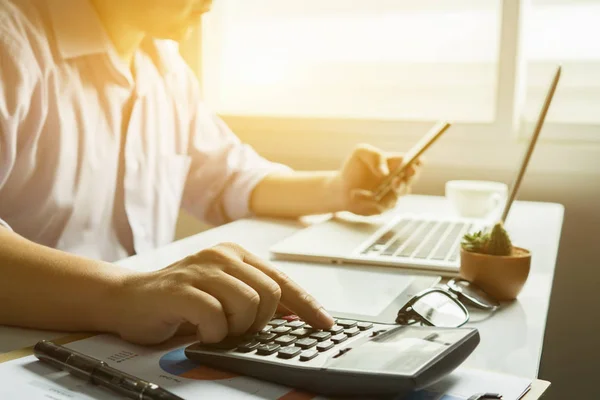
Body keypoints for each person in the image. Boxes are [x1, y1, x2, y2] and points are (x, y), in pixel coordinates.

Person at [0, 0, 420, 345]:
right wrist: (125, 294)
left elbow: (230, 177)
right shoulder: (11, 44)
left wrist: (337, 189)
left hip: (134, 337)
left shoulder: (165, 68)